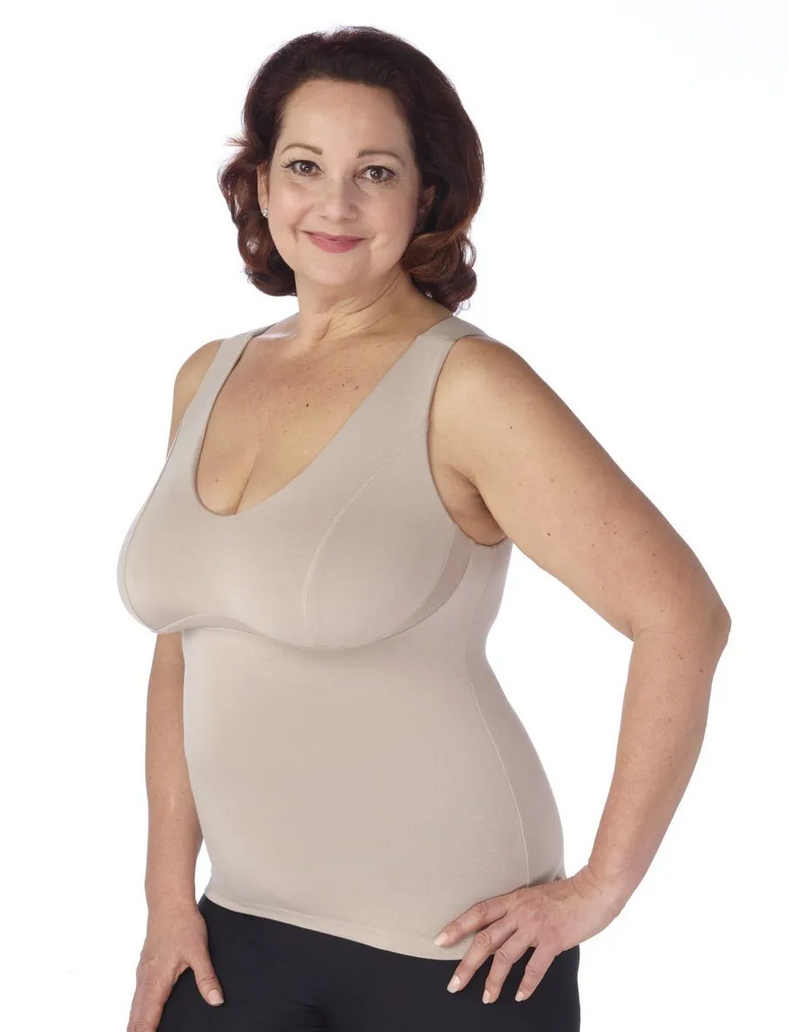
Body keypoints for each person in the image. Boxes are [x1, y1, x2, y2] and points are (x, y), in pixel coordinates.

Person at [117, 25, 731, 1033]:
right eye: (304, 166)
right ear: (260, 184)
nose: (335, 204)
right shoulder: (207, 375)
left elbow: (682, 615)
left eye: (376, 172)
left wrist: (600, 887)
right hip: (235, 929)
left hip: (451, 946)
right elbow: (183, 648)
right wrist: (165, 899)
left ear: (425, 197)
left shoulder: (467, 386)